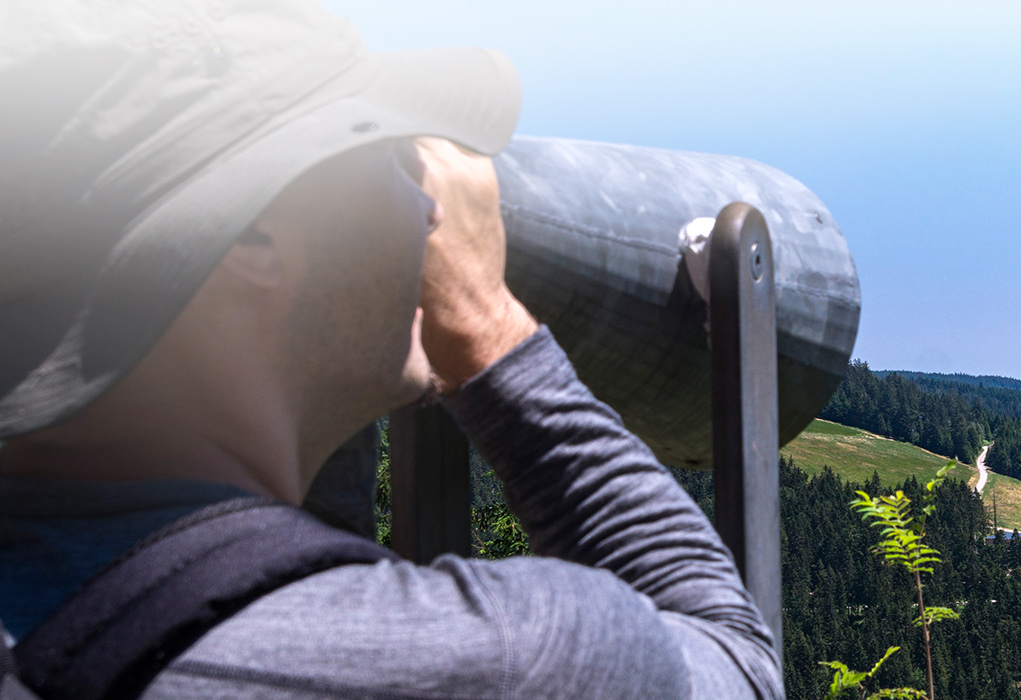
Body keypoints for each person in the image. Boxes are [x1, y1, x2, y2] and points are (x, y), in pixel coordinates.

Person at [0, 1, 781, 698]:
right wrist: (492, 329)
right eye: (391, 160)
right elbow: (735, 664)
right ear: (257, 230)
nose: (429, 209)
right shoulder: (492, 659)